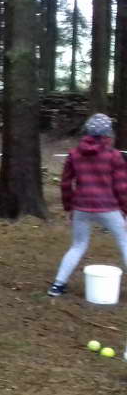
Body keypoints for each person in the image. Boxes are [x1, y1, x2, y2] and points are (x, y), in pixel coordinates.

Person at [47, 113, 127, 297]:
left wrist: (69, 208)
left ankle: (58, 285)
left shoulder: (74, 154)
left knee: (78, 245)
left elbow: (66, 184)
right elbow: (122, 187)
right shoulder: (114, 156)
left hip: (81, 208)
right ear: (108, 133)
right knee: (124, 242)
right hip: (109, 207)